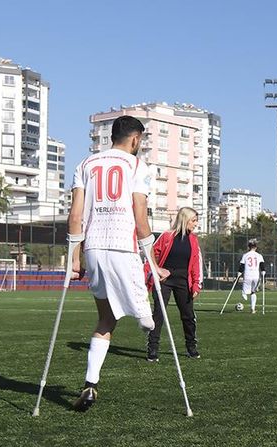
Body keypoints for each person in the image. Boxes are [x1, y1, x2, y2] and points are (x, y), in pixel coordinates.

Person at [67, 115, 167, 412]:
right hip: (122, 247)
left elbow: (75, 216)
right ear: (135, 140)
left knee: (105, 320)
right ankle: (142, 316)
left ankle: (90, 384)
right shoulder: (137, 165)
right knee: (148, 319)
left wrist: (75, 259)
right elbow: (139, 212)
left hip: (94, 249)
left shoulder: (84, 164)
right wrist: (152, 260)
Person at [145, 207, 203, 362]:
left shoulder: (193, 240)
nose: (196, 224)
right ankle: (152, 348)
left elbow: (196, 263)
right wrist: (153, 274)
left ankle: (191, 347)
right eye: (193, 220)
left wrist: (196, 284)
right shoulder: (166, 236)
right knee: (158, 314)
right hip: (165, 280)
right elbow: (152, 255)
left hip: (184, 281)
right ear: (185, 220)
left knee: (188, 315)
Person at [239, 239, 265, 314]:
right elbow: (262, 265)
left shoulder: (245, 255)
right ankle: (252, 309)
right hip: (256, 276)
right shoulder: (259, 255)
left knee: (245, 290)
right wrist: (263, 271)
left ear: (248, 247)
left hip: (247, 275)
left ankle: (244, 293)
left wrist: (239, 272)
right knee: (253, 292)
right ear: (256, 247)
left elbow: (242, 265)